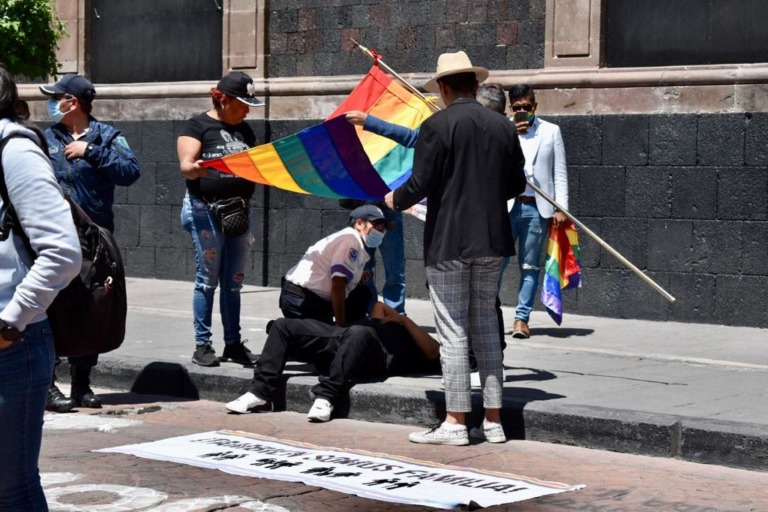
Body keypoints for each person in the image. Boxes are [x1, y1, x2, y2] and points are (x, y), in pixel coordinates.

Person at [385, 51, 526, 446]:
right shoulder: (502, 126)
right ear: (476, 86)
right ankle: (494, 421)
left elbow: (421, 183)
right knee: (485, 325)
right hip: (492, 239)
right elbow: (516, 185)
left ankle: (456, 421)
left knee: (452, 331)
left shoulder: (437, 124)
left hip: (449, 241)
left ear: (444, 88)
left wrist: (394, 198)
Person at [0, 66, 82, 510]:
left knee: (11, 491)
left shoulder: (13, 149)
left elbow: (63, 252)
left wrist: (10, 323)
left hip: (12, 346)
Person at [39, 73, 141, 411]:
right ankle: (48, 384)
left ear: (75, 102)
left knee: (89, 307)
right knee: (50, 307)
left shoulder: (108, 136)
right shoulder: (45, 138)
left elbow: (130, 171)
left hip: (93, 238)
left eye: (58, 97)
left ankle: (82, 383)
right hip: (51, 235)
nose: (52, 103)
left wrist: (92, 151)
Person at [177, 71, 265, 368]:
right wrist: (197, 168)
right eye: (242, 104)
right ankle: (202, 345)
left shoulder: (247, 130)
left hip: (239, 211)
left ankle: (233, 344)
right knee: (207, 280)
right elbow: (186, 166)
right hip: (206, 211)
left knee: (234, 281)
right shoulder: (197, 125)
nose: (246, 110)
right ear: (222, 99)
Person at [225, 301, 440, 422]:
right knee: (282, 325)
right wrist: (393, 316)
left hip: (371, 353)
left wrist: (403, 320)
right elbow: (377, 306)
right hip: (342, 337)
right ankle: (260, 392)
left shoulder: (421, 344)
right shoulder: (387, 324)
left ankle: (326, 396)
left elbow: (433, 351)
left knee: (359, 332)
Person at [503, 84, 569, 339]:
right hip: (506, 205)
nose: (522, 111)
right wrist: (511, 133)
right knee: (496, 263)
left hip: (537, 208)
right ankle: (491, 312)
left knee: (530, 266)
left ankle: (521, 319)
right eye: (517, 107)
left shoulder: (551, 131)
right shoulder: (502, 129)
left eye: (526, 107)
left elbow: (559, 173)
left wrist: (560, 208)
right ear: (510, 108)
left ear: (535, 106)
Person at [280, 204, 385, 326]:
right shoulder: (350, 240)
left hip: (309, 298)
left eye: (384, 227)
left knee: (362, 294)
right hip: (301, 299)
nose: (382, 231)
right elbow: (338, 285)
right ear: (359, 224)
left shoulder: (353, 241)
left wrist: (357, 278)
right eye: (377, 225)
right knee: (328, 340)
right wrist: (340, 326)